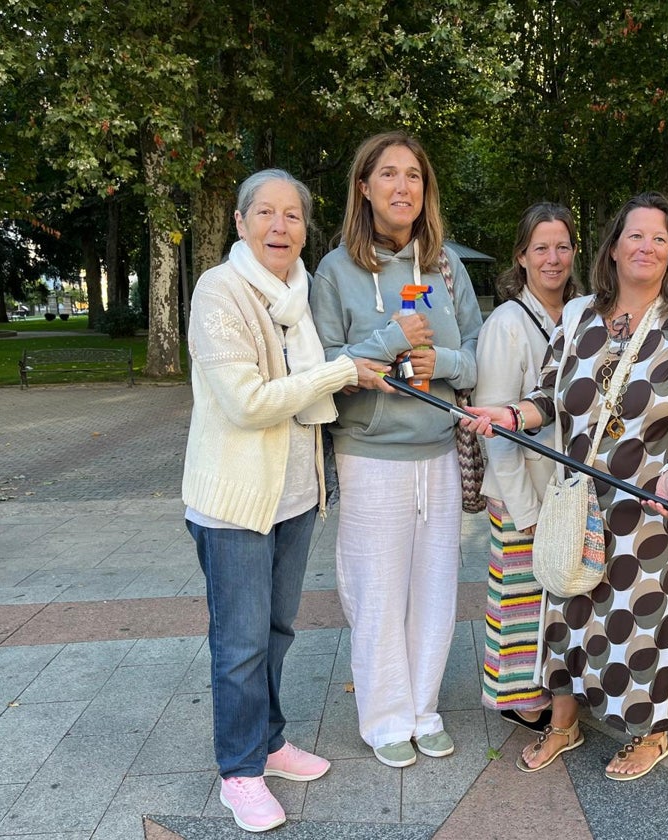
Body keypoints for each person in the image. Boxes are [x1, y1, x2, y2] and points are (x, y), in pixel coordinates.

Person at [462, 192, 668, 781]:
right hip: (580, 498)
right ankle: (565, 721)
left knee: (639, 620)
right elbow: (549, 396)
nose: (647, 247)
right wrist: (509, 416)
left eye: (659, 238)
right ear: (612, 248)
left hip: (651, 502)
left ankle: (650, 734)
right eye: (636, 235)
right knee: (569, 606)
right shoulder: (580, 315)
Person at [182, 169, 394, 832]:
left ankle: (269, 743)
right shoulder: (220, 292)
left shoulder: (296, 295)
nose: (281, 226)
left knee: (275, 633)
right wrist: (341, 372)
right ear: (240, 224)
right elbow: (248, 404)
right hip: (236, 505)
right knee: (239, 642)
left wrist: (353, 376)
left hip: (297, 497)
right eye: (266, 214)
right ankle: (239, 772)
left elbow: (309, 390)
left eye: (294, 216)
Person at [310, 131, 483, 769]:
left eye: (413, 176)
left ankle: (423, 709)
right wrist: (386, 340)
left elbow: (476, 353)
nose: (402, 187)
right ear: (364, 187)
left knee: (435, 588)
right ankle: (385, 718)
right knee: (377, 590)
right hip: (370, 450)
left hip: (437, 448)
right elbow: (320, 361)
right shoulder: (334, 271)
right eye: (388, 175)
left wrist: (444, 361)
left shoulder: (443, 266)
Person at [474, 202, 580, 732]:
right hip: (522, 489)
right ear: (521, 257)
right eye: (541, 247)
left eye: (562, 246)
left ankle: (557, 684)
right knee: (518, 597)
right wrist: (525, 508)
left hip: (568, 490)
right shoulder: (506, 323)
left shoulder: (583, 316)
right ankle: (521, 696)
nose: (553, 258)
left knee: (556, 596)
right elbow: (494, 426)